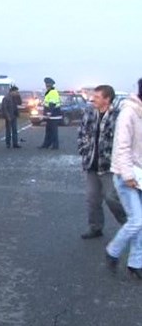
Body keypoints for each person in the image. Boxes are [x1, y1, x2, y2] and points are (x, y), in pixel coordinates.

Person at [77, 85, 126, 239]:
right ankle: (95, 227)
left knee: (111, 197)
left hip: (109, 165)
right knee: (92, 198)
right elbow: (81, 132)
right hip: (91, 163)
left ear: (107, 99)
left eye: (97, 97)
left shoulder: (118, 116)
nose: (93, 99)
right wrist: (84, 149)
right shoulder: (89, 112)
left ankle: (129, 225)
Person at [106, 79, 142, 279]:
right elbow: (122, 147)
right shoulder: (129, 113)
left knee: (140, 222)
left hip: (140, 175)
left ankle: (136, 263)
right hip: (126, 175)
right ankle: (113, 251)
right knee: (137, 221)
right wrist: (128, 175)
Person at [39, 77, 62, 150]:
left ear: (50, 85)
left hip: (53, 115)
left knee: (53, 131)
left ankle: (55, 145)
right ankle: (46, 144)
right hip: (50, 115)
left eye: (47, 85)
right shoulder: (49, 92)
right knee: (48, 130)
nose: (46, 86)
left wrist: (49, 113)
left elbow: (52, 103)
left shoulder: (53, 92)